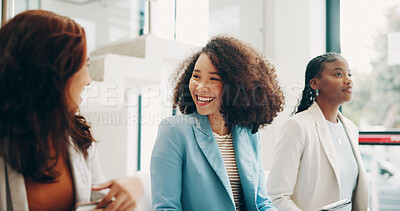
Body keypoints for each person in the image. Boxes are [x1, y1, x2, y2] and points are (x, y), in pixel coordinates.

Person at [0, 10, 143, 211]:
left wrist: (134, 185)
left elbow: (99, 200)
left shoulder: (79, 137)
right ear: (52, 73)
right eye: (83, 65)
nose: (89, 79)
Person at [150, 35, 284, 210]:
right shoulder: (174, 131)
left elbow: (261, 202)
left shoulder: (249, 132)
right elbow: (166, 208)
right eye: (196, 76)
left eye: (213, 79)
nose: (200, 87)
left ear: (236, 85)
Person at [267, 52, 369, 211]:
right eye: (338, 74)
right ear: (315, 84)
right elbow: (277, 196)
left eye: (349, 74)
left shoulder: (350, 128)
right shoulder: (297, 126)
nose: (348, 80)